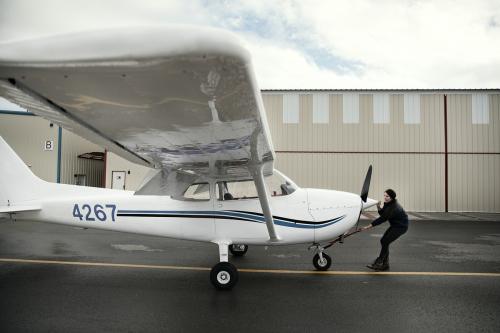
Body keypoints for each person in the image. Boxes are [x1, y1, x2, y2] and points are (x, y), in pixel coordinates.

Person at [361, 189, 408, 271]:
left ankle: (380, 262)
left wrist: (369, 226)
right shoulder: (388, 203)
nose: (385, 198)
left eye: (387, 196)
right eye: (385, 196)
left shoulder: (393, 207)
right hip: (395, 225)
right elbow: (383, 213)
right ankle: (385, 264)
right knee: (383, 241)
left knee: (385, 241)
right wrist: (378, 207)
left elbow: (382, 218)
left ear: (392, 197)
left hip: (401, 227)